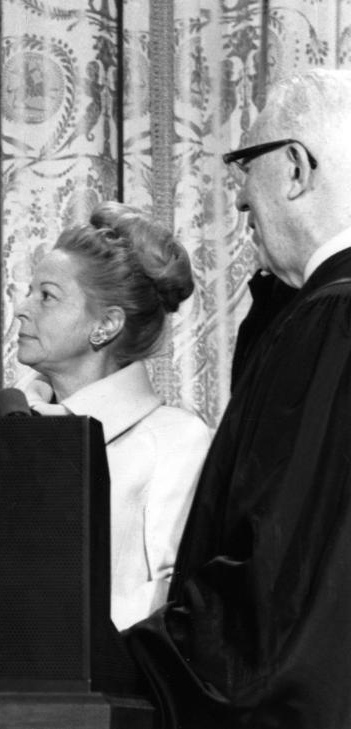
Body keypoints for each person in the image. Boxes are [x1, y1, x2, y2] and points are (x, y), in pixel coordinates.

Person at [124, 68, 351, 728]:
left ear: (296, 167)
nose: (241, 201)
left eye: (243, 165)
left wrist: (130, 657)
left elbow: (275, 580)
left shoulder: (326, 327)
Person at [14, 201, 211, 631]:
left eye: (46, 296)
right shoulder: (11, 426)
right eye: (29, 291)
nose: (21, 309)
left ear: (105, 326)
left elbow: (169, 606)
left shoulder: (178, 443)